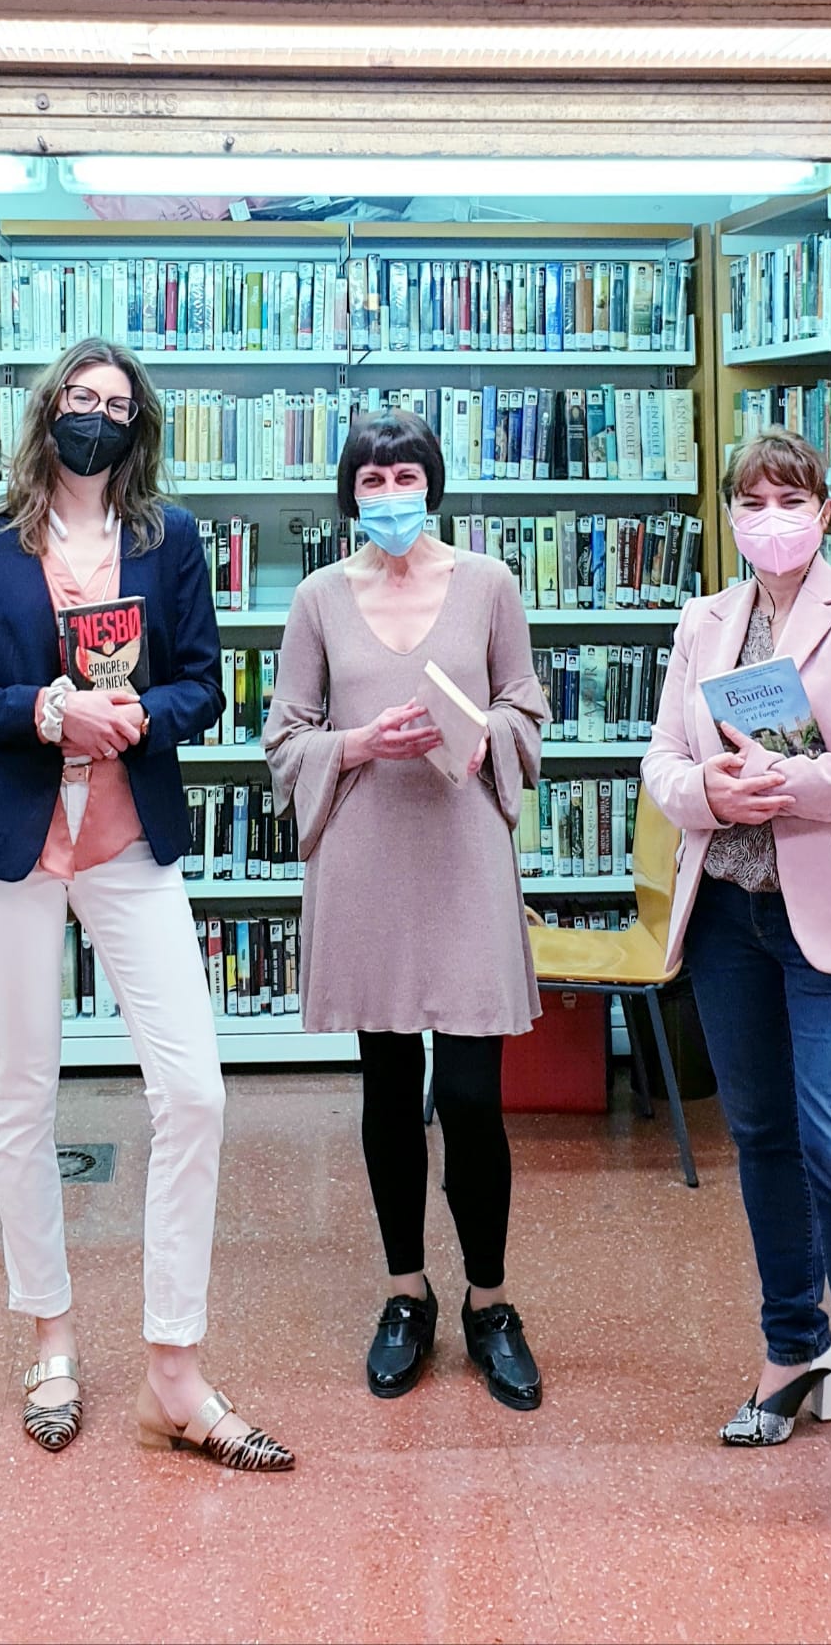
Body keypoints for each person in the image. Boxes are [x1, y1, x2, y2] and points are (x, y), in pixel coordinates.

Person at [0, 337, 292, 1474]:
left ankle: (172, 1370)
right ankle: (50, 1341)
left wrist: (138, 716)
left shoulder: (166, 537)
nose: (94, 416)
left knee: (194, 1088)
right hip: (12, 849)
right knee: (23, 1093)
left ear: (140, 424)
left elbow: (201, 677)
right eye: (78, 400)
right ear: (48, 414)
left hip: (129, 841)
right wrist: (47, 712)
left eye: (115, 404)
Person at [642, 426, 831, 1562]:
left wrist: (795, 781)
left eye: (791, 496)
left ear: (822, 510)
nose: (771, 514)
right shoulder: (702, 622)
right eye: (752, 498)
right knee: (761, 1137)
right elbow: (661, 763)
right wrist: (712, 789)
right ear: (730, 514)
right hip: (726, 914)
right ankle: (789, 1351)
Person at [263, 410, 549, 1410]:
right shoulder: (313, 598)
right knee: (386, 1088)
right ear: (350, 489)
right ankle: (404, 1292)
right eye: (371, 476)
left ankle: (491, 1299)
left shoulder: (488, 585)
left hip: (462, 851)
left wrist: (485, 737)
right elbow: (284, 736)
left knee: (470, 1093)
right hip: (365, 859)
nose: (389, 491)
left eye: (406, 473)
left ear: (433, 480)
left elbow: (527, 703)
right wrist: (354, 745)